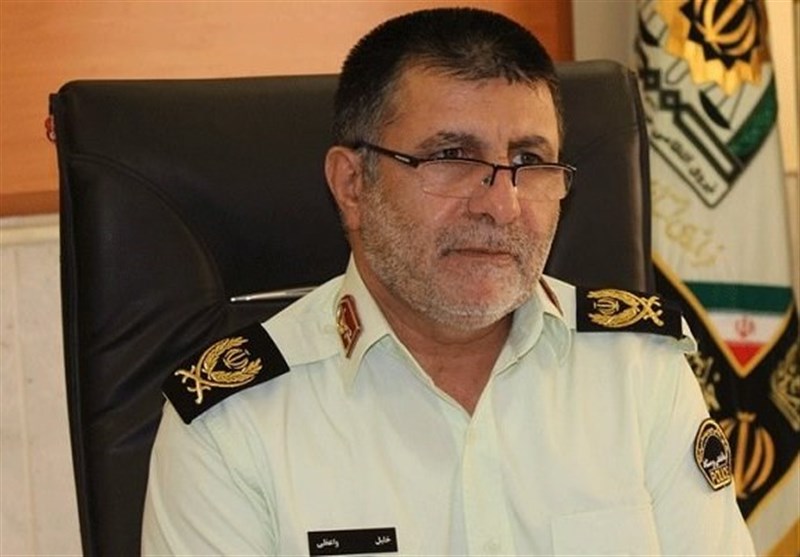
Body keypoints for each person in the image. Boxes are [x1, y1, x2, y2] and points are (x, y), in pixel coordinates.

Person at [142, 7, 755, 556]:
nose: (502, 206)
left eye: (529, 162)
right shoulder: (233, 424)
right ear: (352, 185)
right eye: (452, 158)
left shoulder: (638, 371)